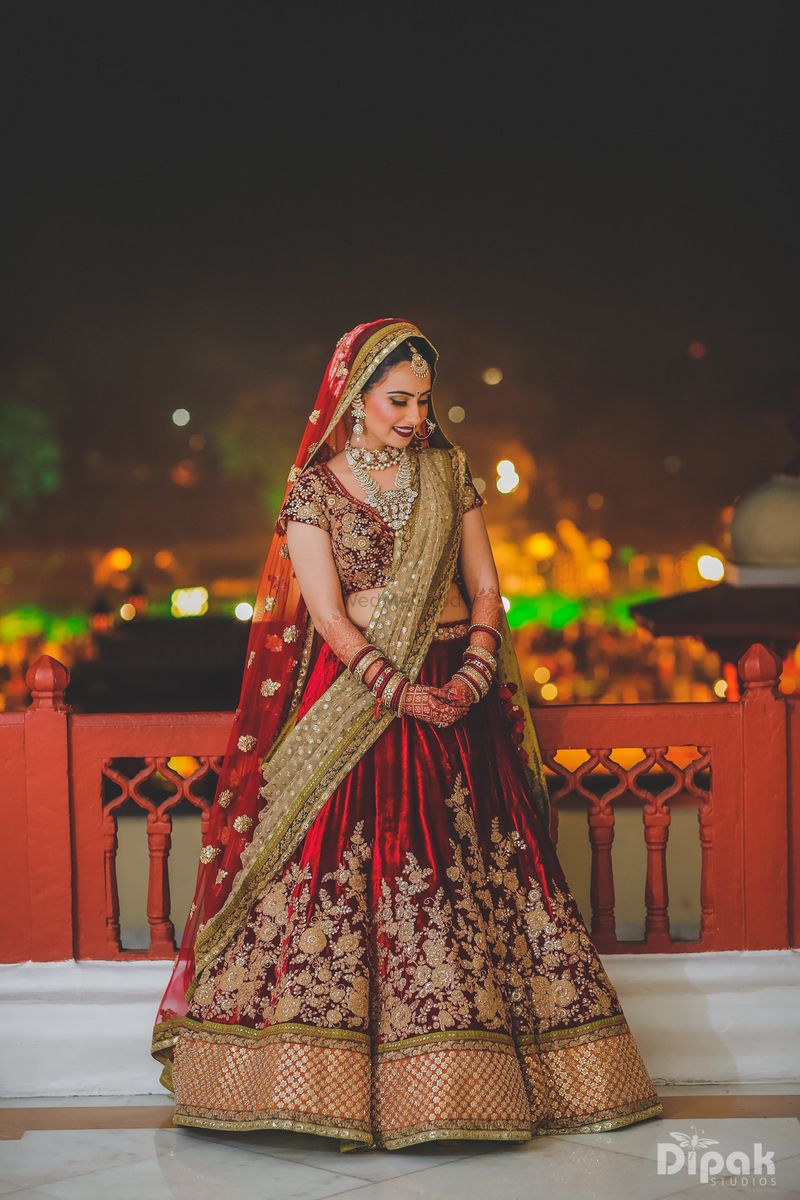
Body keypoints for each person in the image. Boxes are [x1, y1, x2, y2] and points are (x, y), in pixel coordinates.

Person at [150, 317, 663, 1152]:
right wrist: (396, 688)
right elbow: (323, 613)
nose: (414, 416)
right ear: (354, 396)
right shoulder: (315, 488)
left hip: (460, 697)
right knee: (340, 876)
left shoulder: (449, 471)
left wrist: (473, 669)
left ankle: (476, 1087)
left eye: (424, 400)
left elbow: (487, 585)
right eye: (398, 400)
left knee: (478, 874)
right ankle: (315, 1088)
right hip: (360, 701)